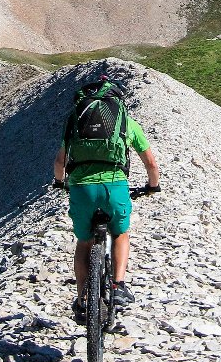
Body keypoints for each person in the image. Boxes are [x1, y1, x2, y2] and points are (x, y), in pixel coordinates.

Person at [53, 74, 160, 318]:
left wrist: (59, 182)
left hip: (82, 189)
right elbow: (151, 164)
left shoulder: (74, 120)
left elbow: (60, 161)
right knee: (120, 233)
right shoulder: (126, 123)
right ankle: (118, 285)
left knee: (84, 242)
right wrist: (152, 186)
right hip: (114, 187)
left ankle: (82, 299)